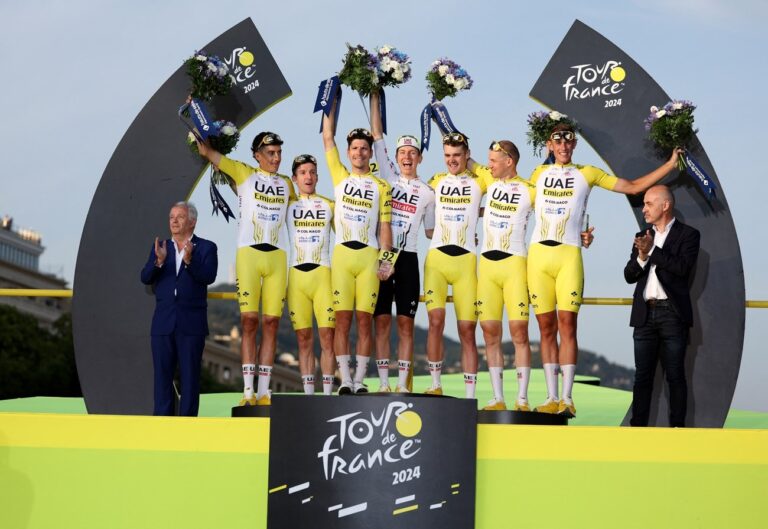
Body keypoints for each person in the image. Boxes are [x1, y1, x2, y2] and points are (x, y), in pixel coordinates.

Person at [528, 119, 682, 417]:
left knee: (567, 325)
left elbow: (633, 187)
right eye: (557, 141)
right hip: (538, 257)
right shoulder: (538, 174)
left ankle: (567, 398)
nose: (563, 145)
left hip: (568, 256)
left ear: (574, 144)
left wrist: (670, 164)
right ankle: (551, 397)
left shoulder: (588, 173)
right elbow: (518, 206)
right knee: (546, 328)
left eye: (568, 140)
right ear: (549, 145)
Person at [469, 141, 593, 411]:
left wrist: (581, 233)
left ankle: (523, 399)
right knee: (489, 331)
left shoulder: (531, 189)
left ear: (509, 161)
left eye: (494, 160)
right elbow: (464, 158)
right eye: (488, 160)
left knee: (519, 331)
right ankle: (498, 398)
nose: (489, 164)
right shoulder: (488, 178)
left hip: (516, 262)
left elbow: (559, 208)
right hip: (487, 265)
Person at [196, 132, 295, 406]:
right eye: (271, 153)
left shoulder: (287, 184)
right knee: (249, 322)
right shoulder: (243, 172)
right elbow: (208, 153)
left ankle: (264, 392)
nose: (276, 158)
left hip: (278, 257)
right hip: (249, 254)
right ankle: (248, 391)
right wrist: (203, 127)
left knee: (272, 324)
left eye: (279, 153)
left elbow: (301, 215)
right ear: (257, 155)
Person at [322, 96, 393, 394]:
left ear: (370, 152)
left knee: (365, 322)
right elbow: (328, 136)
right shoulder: (340, 176)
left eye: (364, 148)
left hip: (368, 257)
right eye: (354, 148)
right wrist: (331, 98)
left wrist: (387, 260)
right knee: (342, 321)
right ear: (349, 151)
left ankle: (361, 380)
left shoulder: (382, 186)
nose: (359, 152)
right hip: (342, 255)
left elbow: (385, 227)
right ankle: (345, 381)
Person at [369, 90, 435, 393]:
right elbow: (377, 134)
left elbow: (432, 231)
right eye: (402, 153)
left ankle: (402, 384)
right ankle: (383, 383)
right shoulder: (389, 176)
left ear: (419, 158)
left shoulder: (429, 192)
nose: (407, 157)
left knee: (406, 324)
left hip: (408, 257)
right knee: (381, 322)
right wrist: (374, 91)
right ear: (395, 158)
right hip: (384, 253)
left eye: (412, 153)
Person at [624, 185, 699, 427]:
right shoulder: (642, 235)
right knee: (642, 377)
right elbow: (629, 275)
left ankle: (677, 429)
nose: (644, 209)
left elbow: (682, 268)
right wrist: (641, 257)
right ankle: (637, 429)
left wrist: (652, 250)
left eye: (648, 204)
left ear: (665, 205)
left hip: (672, 314)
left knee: (675, 375)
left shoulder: (688, 235)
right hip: (644, 314)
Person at [424, 132, 492, 398]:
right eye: (448, 155)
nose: (452, 160)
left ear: (467, 155)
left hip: (466, 260)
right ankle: (435, 384)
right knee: (435, 322)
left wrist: (473, 164)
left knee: (467, 330)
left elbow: (495, 181)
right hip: (436, 260)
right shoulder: (436, 181)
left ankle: (469, 395)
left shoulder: (478, 181)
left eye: (457, 155)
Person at [140, 201, 218, 416]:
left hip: (191, 324)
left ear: (192, 222)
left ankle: (187, 425)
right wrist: (158, 262)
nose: (174, 221)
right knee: (162, 378)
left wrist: (190, 261)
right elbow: (145, 277)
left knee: (190, 377)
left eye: (180, 217)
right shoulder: (160, 247)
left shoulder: (207, 247)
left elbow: (208, 276)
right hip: (163, 323)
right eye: (171, 217)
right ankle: (162, 424)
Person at [286, 154, 336, 395]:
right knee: (304, 338)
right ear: (294, 178)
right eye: (303, 173)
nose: (308, 176)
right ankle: (308, 394)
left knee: (327, 338)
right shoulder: (287, 204)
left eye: (312, 172)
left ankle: (327, 394)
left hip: (323, 276)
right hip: (297, 277)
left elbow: (350, 232)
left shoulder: (329, 205)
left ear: (317, 177)